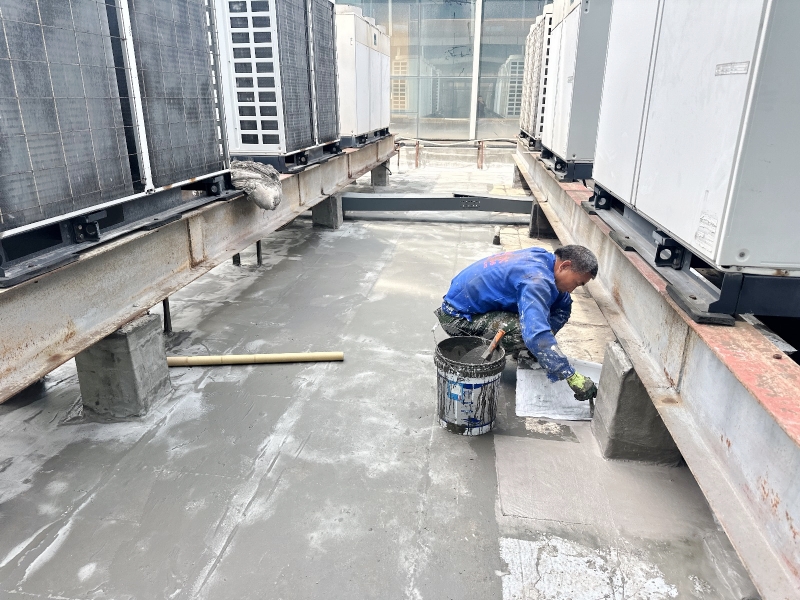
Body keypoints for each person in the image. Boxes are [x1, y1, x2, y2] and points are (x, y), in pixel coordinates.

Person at [435, 244, 599, 401]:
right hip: (457, 317)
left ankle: (534, 350)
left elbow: (563, 306)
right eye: (577, 283)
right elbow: (535, 334)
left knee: (561, 307)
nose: (572, 290)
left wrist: (544, 347)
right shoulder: (537, 280)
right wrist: (569, 374)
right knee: (525, 333)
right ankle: (480, 353)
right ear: (564, 266)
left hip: (472, 304)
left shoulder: (544, 260)